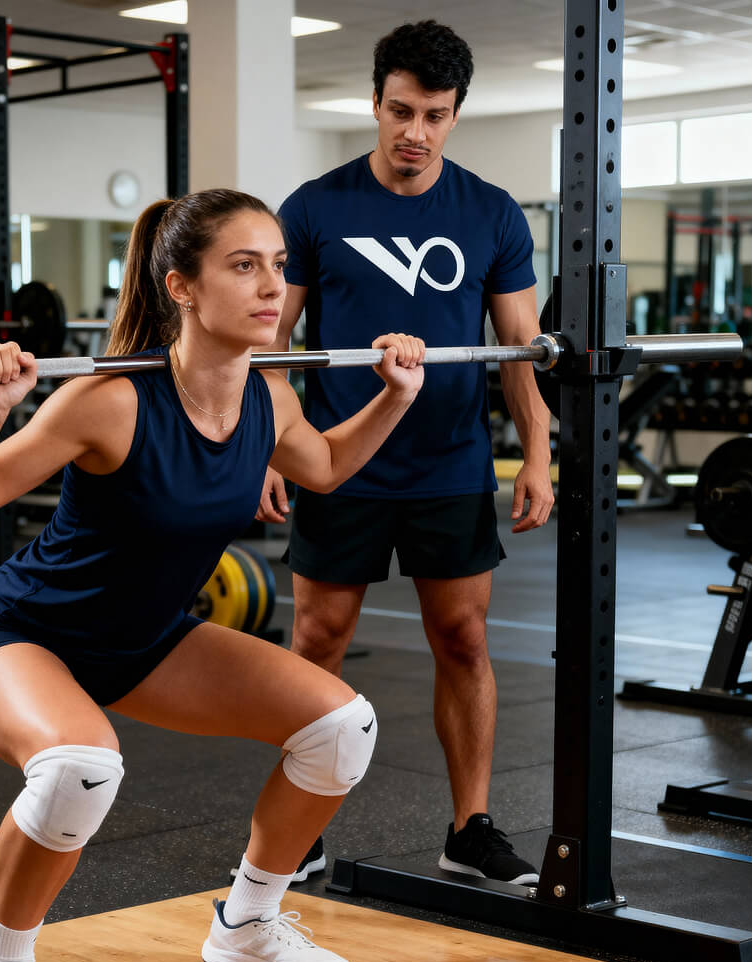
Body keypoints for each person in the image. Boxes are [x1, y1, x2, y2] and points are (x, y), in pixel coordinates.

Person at [0, 188, 425, 962]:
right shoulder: (109, 399)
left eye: (277, 264)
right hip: (23, 634)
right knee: (79, 770)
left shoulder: (268, 398)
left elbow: (328, 469)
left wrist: (395, 396)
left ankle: (248, 922)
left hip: (147, 638)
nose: (272, 286)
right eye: (244, 266)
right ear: (183, 288)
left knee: (340, 728)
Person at [255, 20, 554, 887]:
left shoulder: (491, 212)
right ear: (374, 103)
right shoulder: (315, 207)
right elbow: (271, 342)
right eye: (400, 110)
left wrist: (537, 454)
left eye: (434, 114)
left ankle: (469, 828)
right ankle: (297, 826)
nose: (414, 132)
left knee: (463, 637)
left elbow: (521, 352)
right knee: (317, 636)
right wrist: (279, 449)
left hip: (450, 462)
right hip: (340, 458)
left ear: (456, 114)